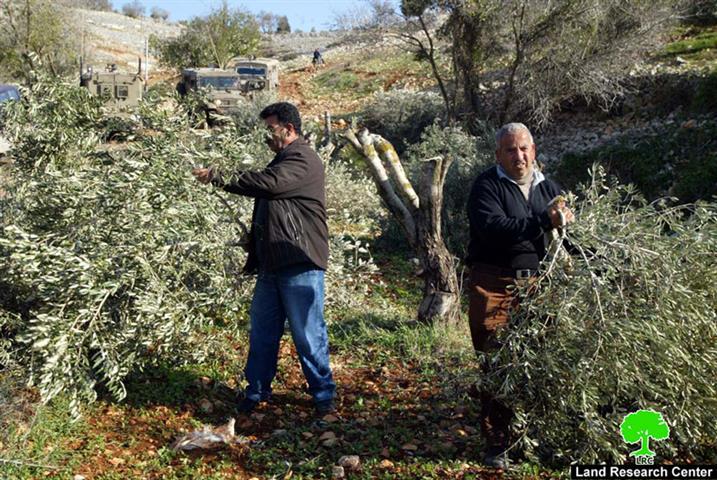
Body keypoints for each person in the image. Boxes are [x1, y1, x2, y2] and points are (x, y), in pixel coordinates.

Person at [192, 102, 336, 416]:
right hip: (273, 265)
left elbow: (269, 185)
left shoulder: (303, 159)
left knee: (308, 332)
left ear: (290, 128)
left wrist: (219, 176)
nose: (266, 136)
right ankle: (256, 391)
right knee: (262, 331)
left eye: (270, 129)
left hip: (300, 264)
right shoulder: (283, 160)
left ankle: (324, 397)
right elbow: (275, 201)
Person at [465, 122, 574, 468]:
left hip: (538, 286)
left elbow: (570, 232)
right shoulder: (487, 186)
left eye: (524, 148)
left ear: (534, 150)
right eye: (510, 150)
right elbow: (494, 229)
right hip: (494, 283)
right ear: (498, 154)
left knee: (541, 359)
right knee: (496, 361)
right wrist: (543, 221)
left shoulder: (549, 187)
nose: (519, 156)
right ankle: (498, 441)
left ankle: (539, 435)